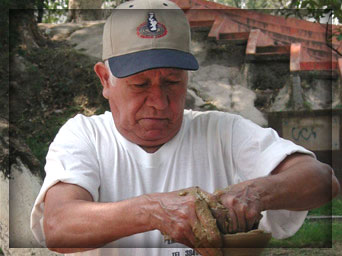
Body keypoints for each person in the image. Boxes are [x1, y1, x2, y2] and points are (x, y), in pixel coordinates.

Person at [30, 0, 340, 255]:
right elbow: (58, 226)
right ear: (105, 80)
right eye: (140, 85)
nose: (159, 102)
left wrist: (255, 192)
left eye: (172, 82)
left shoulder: (223, 132)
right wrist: (153, 210)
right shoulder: (85, 136)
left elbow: (321, 179)